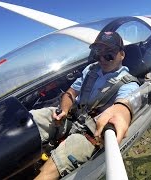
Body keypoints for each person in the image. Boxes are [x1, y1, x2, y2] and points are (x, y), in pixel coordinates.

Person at [30, 31, 140, 180]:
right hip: (71, 118)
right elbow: (71, 93)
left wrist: (121, 112)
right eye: (98, 54)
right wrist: (64, 109)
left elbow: (124, 105)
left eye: (109, 54)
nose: (102, 59)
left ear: (122, 54)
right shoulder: (91, 70)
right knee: (33, 119)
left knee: (50, 169)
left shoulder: (129, 84)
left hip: (90, 135)